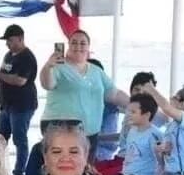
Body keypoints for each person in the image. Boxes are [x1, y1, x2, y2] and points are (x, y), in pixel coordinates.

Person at [39, 30, 128, 162]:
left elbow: (113, 93)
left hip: (89, 132)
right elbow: (47, 84)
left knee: (86, 171)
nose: (78, 46)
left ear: (88, 47)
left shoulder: (96, 71)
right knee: (64, 168)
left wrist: (137, 104)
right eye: (74, 42)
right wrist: (48, 66)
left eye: (82, 43)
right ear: (68, 45)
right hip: (61, 128)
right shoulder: (58, 66)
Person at [0, 24, 38, 175]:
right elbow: (5, 75)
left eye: (10, 40)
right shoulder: (8, 55)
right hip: (6, 106)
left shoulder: (27, 57)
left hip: (22, 106)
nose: (7, 43)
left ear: (20, 39)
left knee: (19, 140)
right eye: (6, 40)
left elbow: (20, 80)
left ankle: (18, 173)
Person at [109, 94, 163, 175]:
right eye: (128, 111)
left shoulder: (154, 134)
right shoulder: (132, 130)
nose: (128, 115)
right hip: (126, 174)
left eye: (133, 112)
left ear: (147, 115)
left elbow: (162, 162)